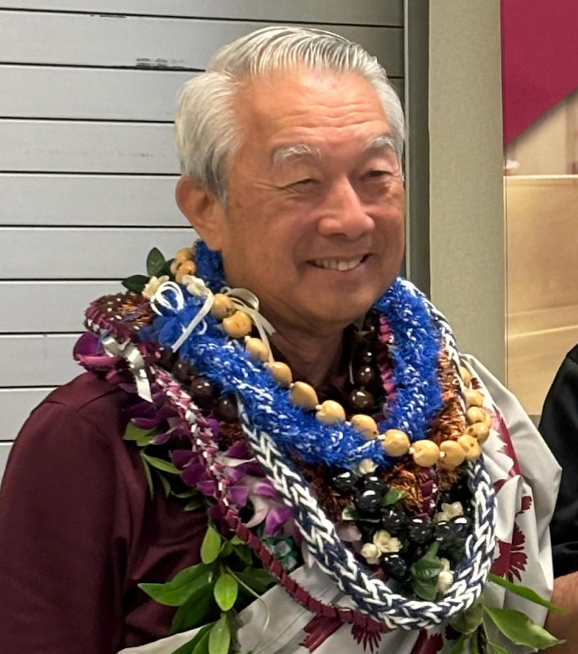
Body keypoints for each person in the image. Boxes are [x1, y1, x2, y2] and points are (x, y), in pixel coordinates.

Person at [0, 26, 563, 654]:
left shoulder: (460, 410)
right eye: (301, 182)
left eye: (375, 174)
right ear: (205, 207)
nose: (350, 218)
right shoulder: (88, 442)